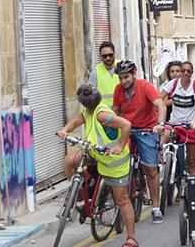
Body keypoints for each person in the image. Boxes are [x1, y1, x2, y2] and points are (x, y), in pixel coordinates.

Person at [58, 85, 138, 246]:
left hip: (113, 161)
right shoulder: (88, 112)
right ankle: (77, 193)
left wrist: (120, 147)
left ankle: (132, 238)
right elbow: (76, 121)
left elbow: (126, 125)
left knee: (122, 200)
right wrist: (64, 130)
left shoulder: (102, 114)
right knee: (69, 161)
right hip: (95, 154)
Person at [111, 60, 168, 224]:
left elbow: (161, 105)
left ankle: (156, 208)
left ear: (134, 74)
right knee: (115, 159)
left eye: (126, 77)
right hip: (127, 130)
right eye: (120, 78)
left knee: (150, 169)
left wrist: (160, 124)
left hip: (147, 129)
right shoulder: (118, 90)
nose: (123, 81)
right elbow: (115, 112)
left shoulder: (145, 86)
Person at [157, 61, 195, 183]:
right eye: (183, 70)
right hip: (174, 124)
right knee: (164, 135)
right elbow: (158, 99)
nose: (185, 73)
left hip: (190, 126)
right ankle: (160, 154)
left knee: (192, 161)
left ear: (192, 72)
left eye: (188, 71)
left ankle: (193, 185)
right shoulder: (173, 84)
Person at [88, 41, 120, 107]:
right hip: (105, 114)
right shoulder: (96, 72)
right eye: (104, 56)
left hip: (122, 111)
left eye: (110, 55)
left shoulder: (122, 66)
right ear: (100, 57)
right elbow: (90, 96)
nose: (108, 58)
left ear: (114, 54)